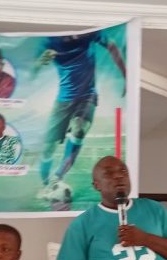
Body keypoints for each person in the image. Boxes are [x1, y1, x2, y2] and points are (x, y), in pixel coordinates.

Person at [35, 31, 126, 200]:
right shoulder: (50, 39)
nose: (73, 37)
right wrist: (41, 60)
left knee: (79, 129)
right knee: (48, 148)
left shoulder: (88, 33)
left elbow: (111, 44)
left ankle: (58, 177)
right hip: (63, 101)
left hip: (87, 96)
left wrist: (126, 75)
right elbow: (33, 67)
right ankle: (46, 185)